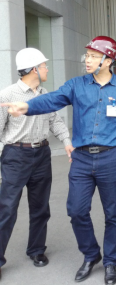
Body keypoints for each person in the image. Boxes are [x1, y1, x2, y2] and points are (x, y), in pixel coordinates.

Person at [2, 36, 116, 285]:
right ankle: (91, 254)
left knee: (113, 213)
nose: (87, 60)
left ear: (107, 60)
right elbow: (52, 99)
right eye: (86, 55)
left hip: (111, 157)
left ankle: (111, 261)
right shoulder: (76, 85)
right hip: (81, 159)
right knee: (77, 211)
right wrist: (26, 107)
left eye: (93, 56)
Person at [0, 49, 72, 280]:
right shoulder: (7, 95)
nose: (47, 69)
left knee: (40, 206)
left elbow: (54, 120)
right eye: (43, 66)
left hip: (41, 154)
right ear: (33, 70)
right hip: (15, 155)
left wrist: (67, 141)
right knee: (7, 208)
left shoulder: (44, 94)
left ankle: (37, 250)